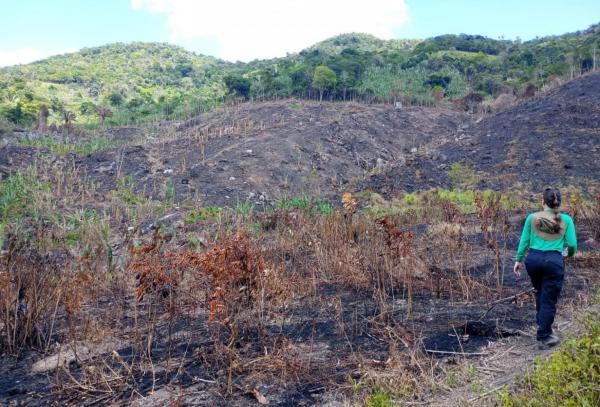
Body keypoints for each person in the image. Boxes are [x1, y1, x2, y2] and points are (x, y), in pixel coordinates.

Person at [513, 188, 577, 349]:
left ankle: (542, 325)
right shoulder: (566, 220)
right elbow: (572, 245)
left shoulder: (532, 218)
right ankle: (544, 335)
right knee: (549, 297)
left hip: (533, 260)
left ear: (543, 202)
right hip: (553, 261)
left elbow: (524, 242)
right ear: (559, 203)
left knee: (540, 292)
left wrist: (518, 260)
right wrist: (567, 254)